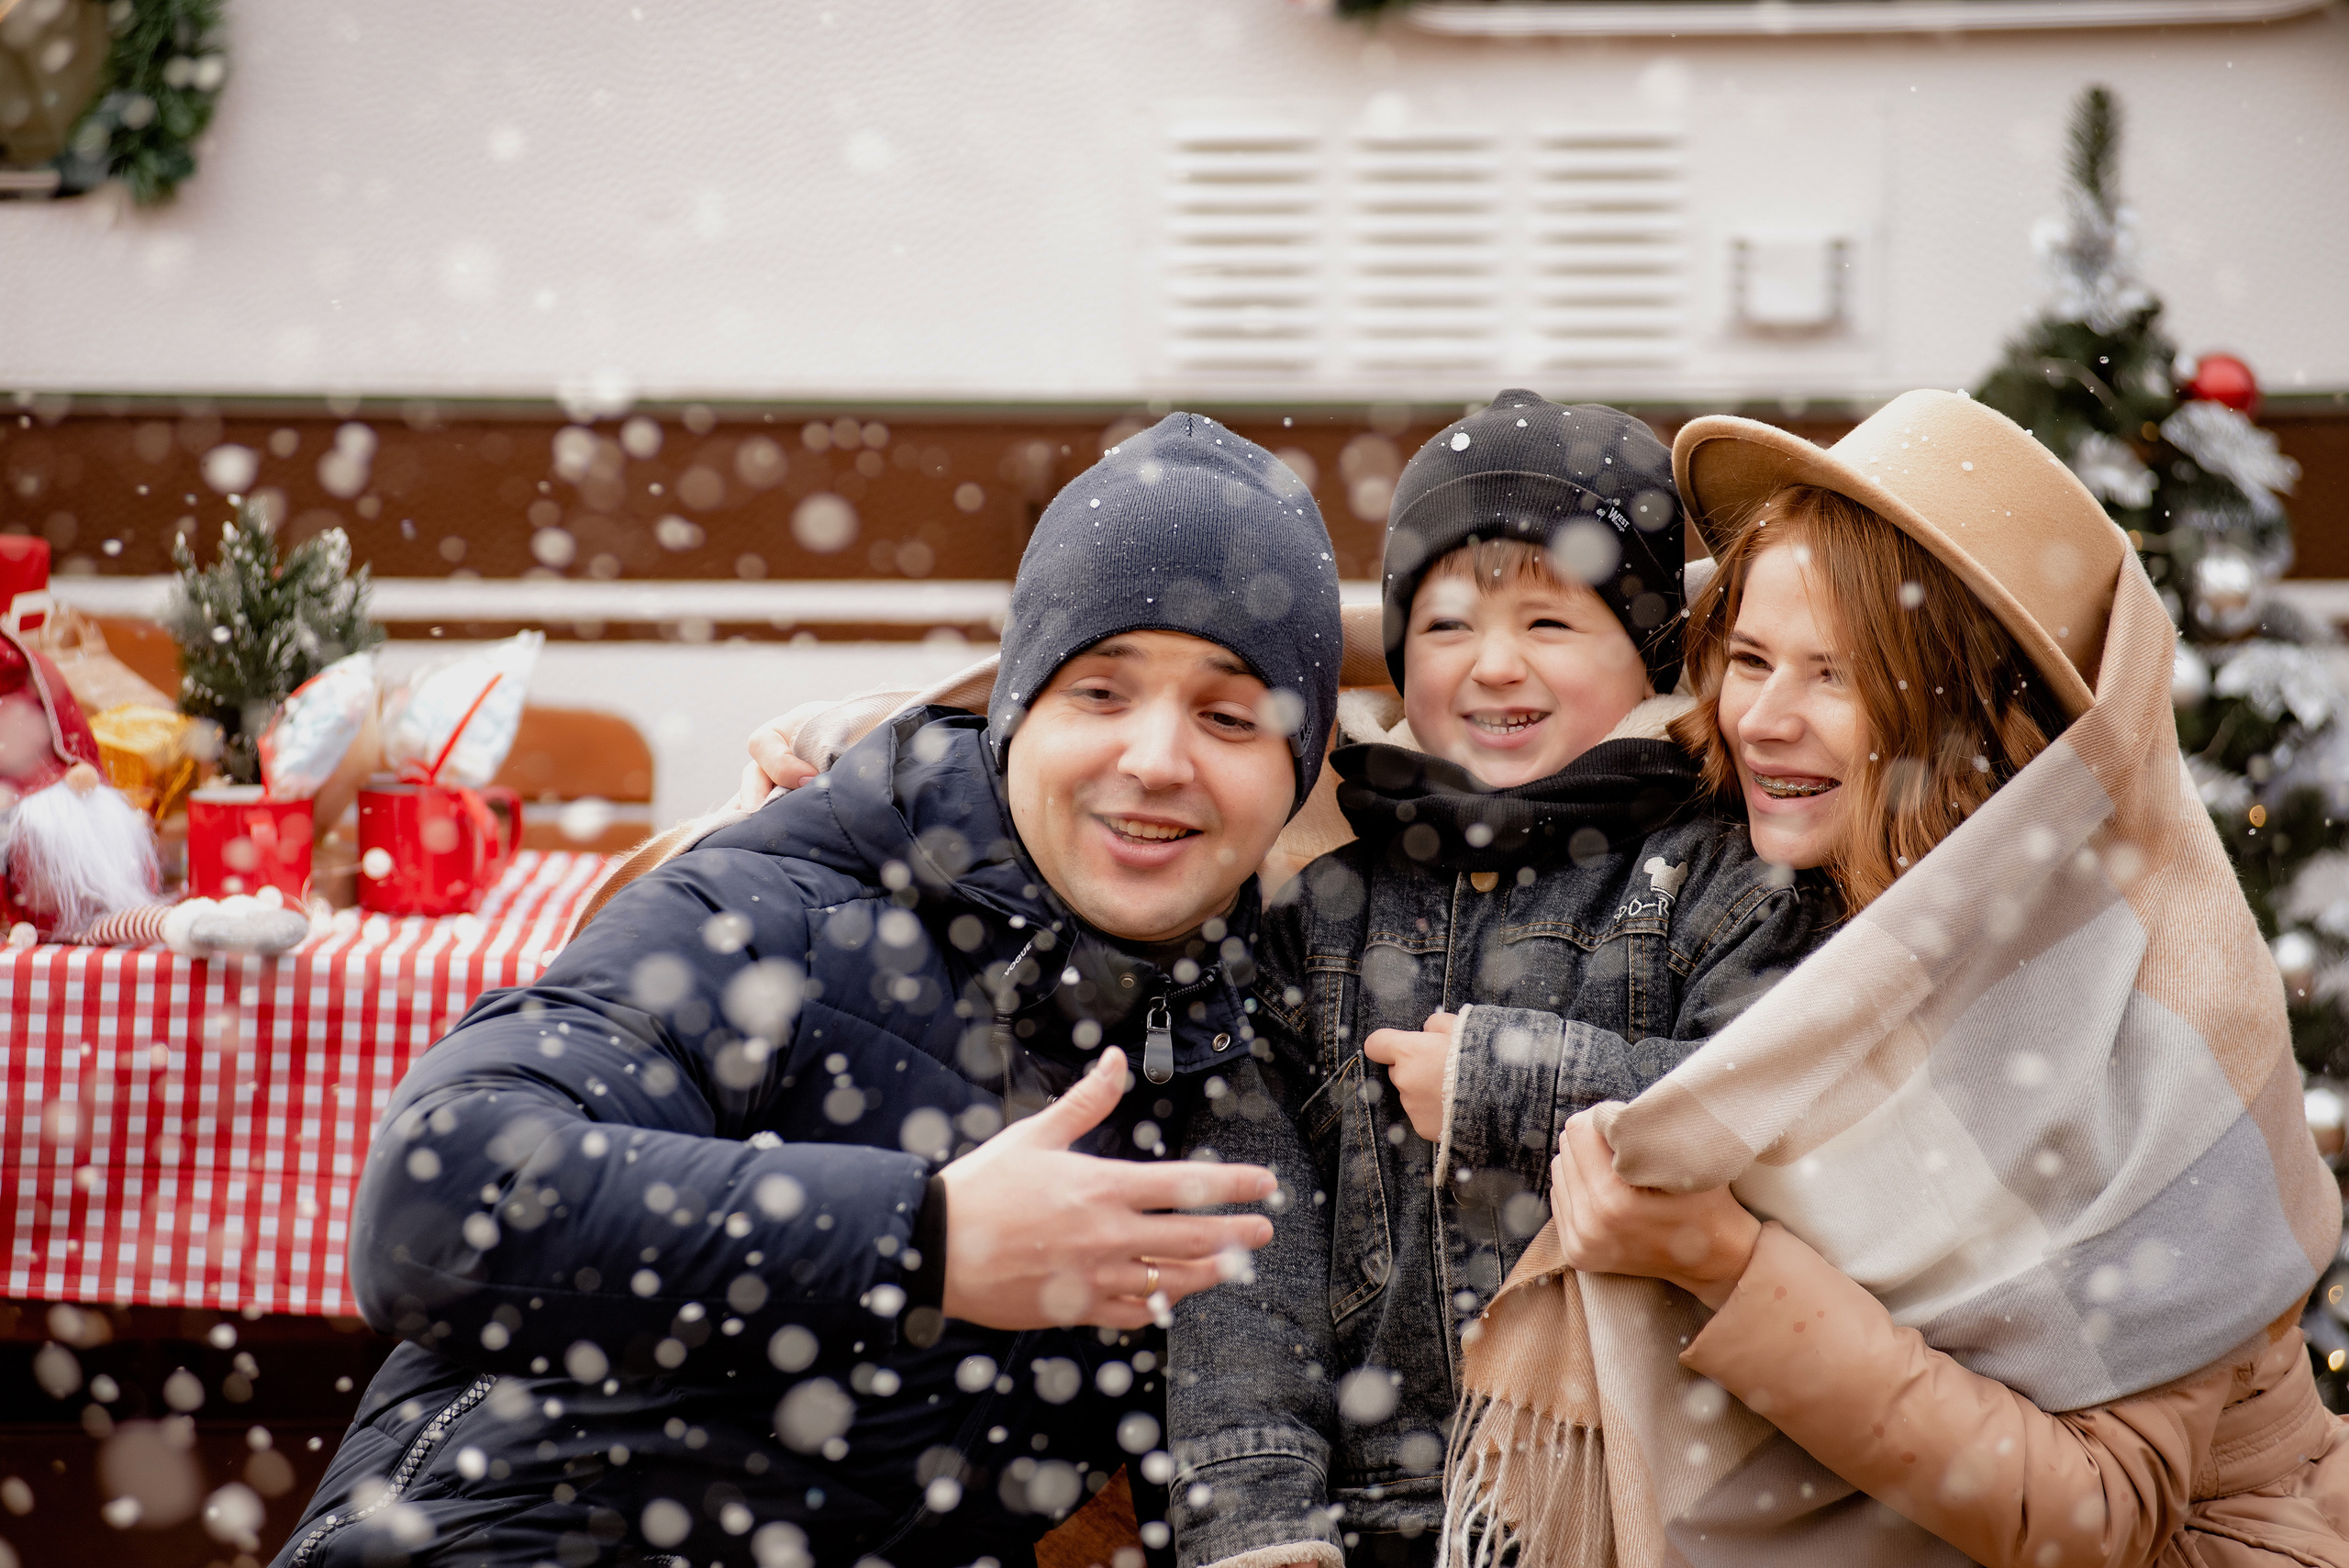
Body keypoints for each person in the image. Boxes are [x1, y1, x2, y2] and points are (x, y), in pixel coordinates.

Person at [273, 412, 1344, 1568]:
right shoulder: (774, 906)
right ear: (1014, 709)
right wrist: (921, 1239)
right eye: (1098, 690)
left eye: (1230, 714)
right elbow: (434, 1203)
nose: (1156, 758)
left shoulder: (1236, 1037)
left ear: (1295, 771)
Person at [1455, 390, 2349, 1567]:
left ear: (1975, 711)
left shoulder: (2154, 1019)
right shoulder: (1794, 902)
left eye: (1834, 674)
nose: (1763, 717)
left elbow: (2096, 1511)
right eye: (1752, 658)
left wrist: (1718, 1258)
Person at [1159, 395, 1838, 1568]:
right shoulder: (1315, 910)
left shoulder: (1719, 875)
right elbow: (1241, 1235)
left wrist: (1512, 1085)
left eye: (1549, 620)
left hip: (1642, 1507)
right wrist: (1256, 1515)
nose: (1494, 663)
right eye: (1447, 623)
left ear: (1651, 652)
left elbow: (1779, 1114)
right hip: (1376, 1520)